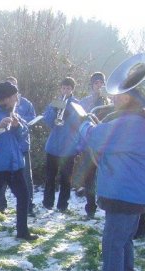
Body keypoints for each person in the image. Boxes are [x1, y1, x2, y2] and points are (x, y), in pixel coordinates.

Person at [79, 91, 145, 271]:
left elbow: (94, 138)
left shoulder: (130, 123)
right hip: (139, 191)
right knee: (125, 240)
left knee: (112, 241)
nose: (113, 98)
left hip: (125, 191)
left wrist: (84, 122)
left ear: (126, 98)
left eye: (117, 95)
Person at [0, 81, 36, 246]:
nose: (17, 99)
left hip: (15, 163)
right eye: (14, 96)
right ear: (6, 98)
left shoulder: (14, 112)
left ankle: (22, 231)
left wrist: (18, 126)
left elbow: (23, 134)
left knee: (24, 196)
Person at [0, 76, 37, 216]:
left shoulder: (26, 103)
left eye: (14, 86)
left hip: (22, 147)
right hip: (5, 151)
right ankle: (1, 205)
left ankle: (28, 207)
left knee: (26, 178)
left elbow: (32, 120)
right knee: (1, 181)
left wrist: (19, 122)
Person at [42, 77, 83, 212]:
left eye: (68, 88)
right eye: (63, 88)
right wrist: (54, 111)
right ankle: (48, 203)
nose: (65, 90)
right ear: (60, 88)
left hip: (68, 148)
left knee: (66, 179)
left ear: (72, 89)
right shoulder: (55, 102)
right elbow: (47, 122)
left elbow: (79, 125)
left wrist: (69, 115)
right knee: (49, 177)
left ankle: (62, 205)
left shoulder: (76, 104)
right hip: (53, 146)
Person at [78, 72, 112, 219]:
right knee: (89, 177)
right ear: (91, 85)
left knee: (107, 176)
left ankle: (107, 206)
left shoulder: (109, 101)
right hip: (89, 145)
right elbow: (80, 120)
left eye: (101, 83)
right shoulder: (85, 101)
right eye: (96, 83)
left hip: (105, 145)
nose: (99, 86)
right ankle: (90, 208)